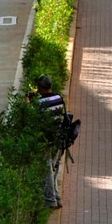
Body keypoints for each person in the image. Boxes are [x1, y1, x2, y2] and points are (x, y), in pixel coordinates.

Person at [34, 75, 67, 209]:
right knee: (53, 168)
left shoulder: (39, 103)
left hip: (46, 141)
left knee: (47, 169)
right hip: (59, 139)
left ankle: (50, 200)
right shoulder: (59, 98)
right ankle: (57, 198)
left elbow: (34, 120)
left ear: (41, 88)